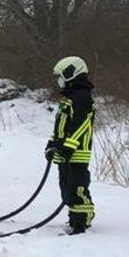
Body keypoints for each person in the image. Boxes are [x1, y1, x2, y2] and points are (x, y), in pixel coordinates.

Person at [45, 56, 95, 234]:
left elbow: (80, 125)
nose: (59, 80)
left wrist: (68, 147)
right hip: (65, 152)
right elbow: (62, 125)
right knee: (66, 187)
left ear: (71, 73)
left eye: (61, 76)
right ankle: (74, 219)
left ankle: (81, 222)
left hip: (77, 153)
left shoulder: (82, 97)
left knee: (77, 187)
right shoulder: (69, 97)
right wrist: (52, 144)